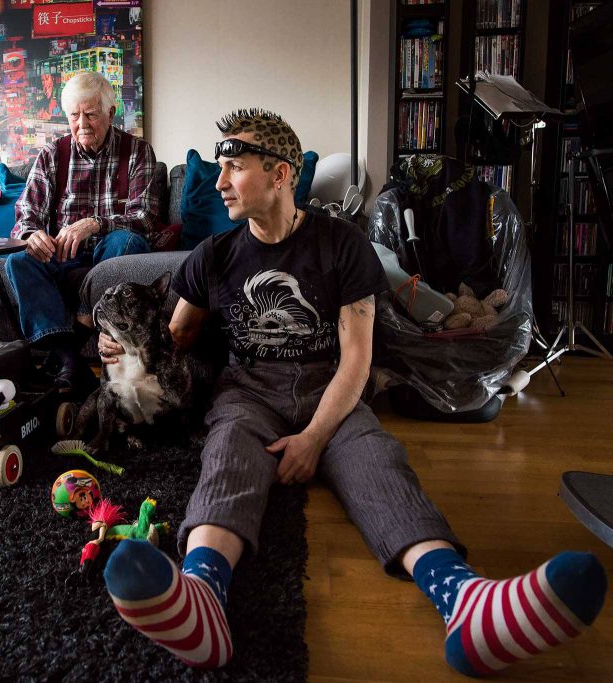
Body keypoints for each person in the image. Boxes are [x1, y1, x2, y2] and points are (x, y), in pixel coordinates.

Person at [98, 108, 607, 674]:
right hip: (247, 389)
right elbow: (175, 341)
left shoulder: (342, 244)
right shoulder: (213, 256)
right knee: (227, 455)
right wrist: (125, 348)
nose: (219, 182)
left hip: (330, 384)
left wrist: (315, 438)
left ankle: (466, 602)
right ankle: (203, 598)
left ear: (280, 174)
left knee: (377, 457)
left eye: (234, 167)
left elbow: (358, 358)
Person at [5, 71, 161, 392]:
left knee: (125, 242)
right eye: (75, 115)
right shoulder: (52, 154)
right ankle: (69, 359)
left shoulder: (136, 152)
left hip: (110, 249)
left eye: (90, 114)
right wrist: (31, 233)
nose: (82, 123)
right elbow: (26, 213)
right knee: (19, 260)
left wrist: (96, 222)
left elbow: (144, 218)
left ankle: (71, 346)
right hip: (64, 255)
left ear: (111, 113)